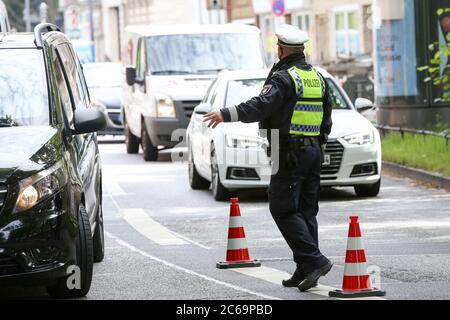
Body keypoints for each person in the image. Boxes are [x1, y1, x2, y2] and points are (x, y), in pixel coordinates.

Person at [203, 24, 333, 292]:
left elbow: (260, 106)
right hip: (313, 152)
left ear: (282, 50)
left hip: (290, 152)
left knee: (282, 208)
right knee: (307, 211)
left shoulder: (284, 78)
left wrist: (226, 114)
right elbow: (326, 119)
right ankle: (305, 267)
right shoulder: (317, 78)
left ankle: (314, 260)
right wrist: (317, 145)